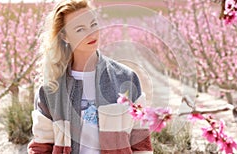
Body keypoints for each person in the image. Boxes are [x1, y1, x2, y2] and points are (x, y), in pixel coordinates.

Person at [27, 0, 153, 153]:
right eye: (80, 29)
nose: (92, 33)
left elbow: (141, 144)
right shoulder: (51, 89)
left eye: (93, 24)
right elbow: (41, 146)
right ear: (65, 37)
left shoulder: (126, 78)